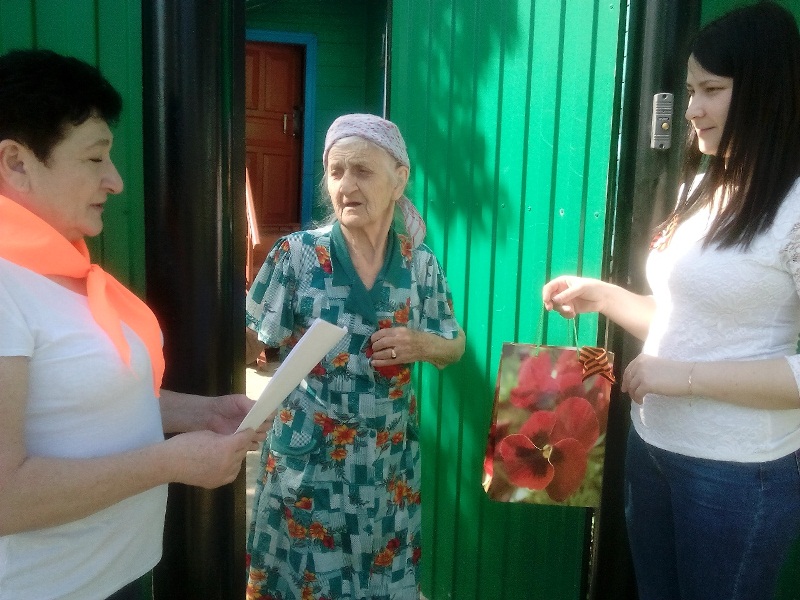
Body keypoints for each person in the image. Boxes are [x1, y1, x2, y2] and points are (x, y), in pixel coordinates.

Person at [542, 3, 800, 599]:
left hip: (738, 474)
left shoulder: (793, 207)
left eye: (712, 90)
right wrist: (603, 295)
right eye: (689, 91)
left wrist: (679, 377)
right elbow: (690, 321)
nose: (691, 109)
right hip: (654, 450)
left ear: (766, 92)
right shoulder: (703, 186)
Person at [0, 49, 265, 600]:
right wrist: (168, 462)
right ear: (16, 162)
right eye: (95, 158)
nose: (116, 181)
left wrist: (203, 412)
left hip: (118, 574)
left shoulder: (61, 270)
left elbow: (82, 399)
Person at [244, 113, 465, 599]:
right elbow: (248, 340)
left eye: (362, 171)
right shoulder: (297, 256)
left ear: (399, 178)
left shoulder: (419, 264)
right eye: (336, 172)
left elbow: (454, 345)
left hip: (386, 468)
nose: (346, 186)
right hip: (309, 469)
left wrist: (422, 344)